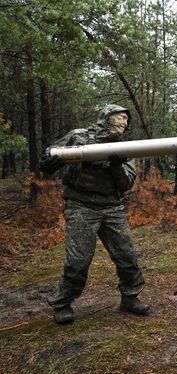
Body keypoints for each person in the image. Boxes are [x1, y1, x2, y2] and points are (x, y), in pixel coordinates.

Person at [39, 104, 149, 325]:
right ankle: (62, 303)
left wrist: (117, 164)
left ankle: (130, 297)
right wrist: (48, 161)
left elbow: (126, 183)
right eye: (118, 117)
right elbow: (50, 155)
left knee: (127, 256)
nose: (123, 122)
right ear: (105, 118)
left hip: (111, 207)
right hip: (81, 205)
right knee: (78, 261)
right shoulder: (78, 137)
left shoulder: (127, 147)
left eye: (126, 119)